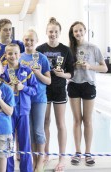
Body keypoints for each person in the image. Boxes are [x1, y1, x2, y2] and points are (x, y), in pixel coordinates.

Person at [36, 17, 74, 172]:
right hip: (44, 90)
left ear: (59, 33)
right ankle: (45, 154)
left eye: (55, 32)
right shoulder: (39, 49)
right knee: (45, 122)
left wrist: (61, 74)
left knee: (60, 123)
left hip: (59, 90)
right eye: (50, 31)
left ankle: (61, 157)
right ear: (46, 32)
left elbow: (71, 74)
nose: (53, 34)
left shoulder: (66, 50)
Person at [68, 21, 107, 167]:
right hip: (73, 85)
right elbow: (65, 68)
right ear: (72, 33)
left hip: (88, 85)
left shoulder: (93, 48)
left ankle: (88, 153)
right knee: (77, 120)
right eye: (75, 31)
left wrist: (90, 66)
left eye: (80, 30)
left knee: (88, 120)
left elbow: (104, 68)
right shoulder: (69, 49)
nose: (78, 33)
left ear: (85, 30)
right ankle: (78, 152)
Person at [2, 44, 37, 172]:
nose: (13, 56)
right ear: (5, 55)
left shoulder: (27, 71)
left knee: (25, 143)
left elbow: (35, 90)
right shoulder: (2, 72)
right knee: (8, 143)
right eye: (10, 53)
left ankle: (27, 170)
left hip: (23, 111)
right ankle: (8, 169)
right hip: (7, 112)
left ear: (20, 54)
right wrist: (8, 89)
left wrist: (24, 88)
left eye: (16, 53)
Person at [19, 29, 51, 172]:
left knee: (38, 130)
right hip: (25, 99)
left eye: (32, 40)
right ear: (23, 40)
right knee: (30, 131)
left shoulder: (42, 58)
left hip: (39, 98)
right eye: (27, 39)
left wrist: (37, 73)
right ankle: (33, 160)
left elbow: (48, 81)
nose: (29, 42)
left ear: (36, 41)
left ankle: (40, 161)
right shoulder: (20, 57)